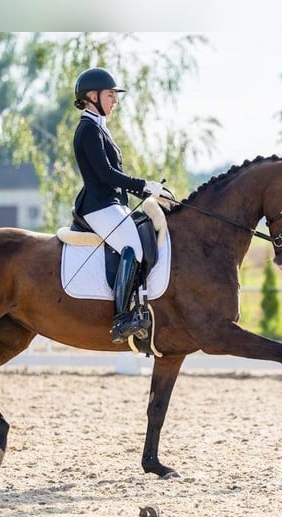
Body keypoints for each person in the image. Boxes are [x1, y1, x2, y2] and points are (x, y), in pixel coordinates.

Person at [71, 66, 173, 344]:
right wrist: (144, 185)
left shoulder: (99, 128)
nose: (115, 100)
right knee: (133, 246)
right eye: (110, 95)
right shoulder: (88, 130)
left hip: (112, 203)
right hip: (98, 206)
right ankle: (121, 319)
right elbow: (105, 174)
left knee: (142, 237)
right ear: (92, 96)